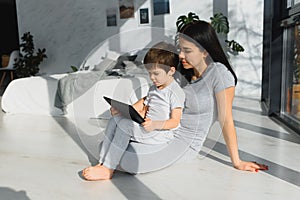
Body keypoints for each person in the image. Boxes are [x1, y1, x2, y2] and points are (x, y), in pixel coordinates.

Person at [82, 21, 268, 181]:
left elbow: (226, 118)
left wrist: (237, 161)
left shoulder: (219, 73)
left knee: (127, 159)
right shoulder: (183, 76)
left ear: (205, 52)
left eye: (187, 50)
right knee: (107, 144)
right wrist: (130, 109)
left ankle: (108, 166)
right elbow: (155, 97)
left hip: (183, 144)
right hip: (163, 133)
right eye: (180, 49)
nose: (180, 55)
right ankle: (107, 165)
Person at [82, 41, 185, 180]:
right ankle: (102, 162)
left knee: (125, 126)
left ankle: (108, 168)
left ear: (171, 71)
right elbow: (144, 103)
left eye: (156, 73)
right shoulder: (155, 87)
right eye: (149, 73)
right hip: (147, 128)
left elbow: (175, 122)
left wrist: (155, 124)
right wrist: (124, 111)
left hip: (160, 134)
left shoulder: (175, 92)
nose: (152, 78)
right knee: (115, 120)